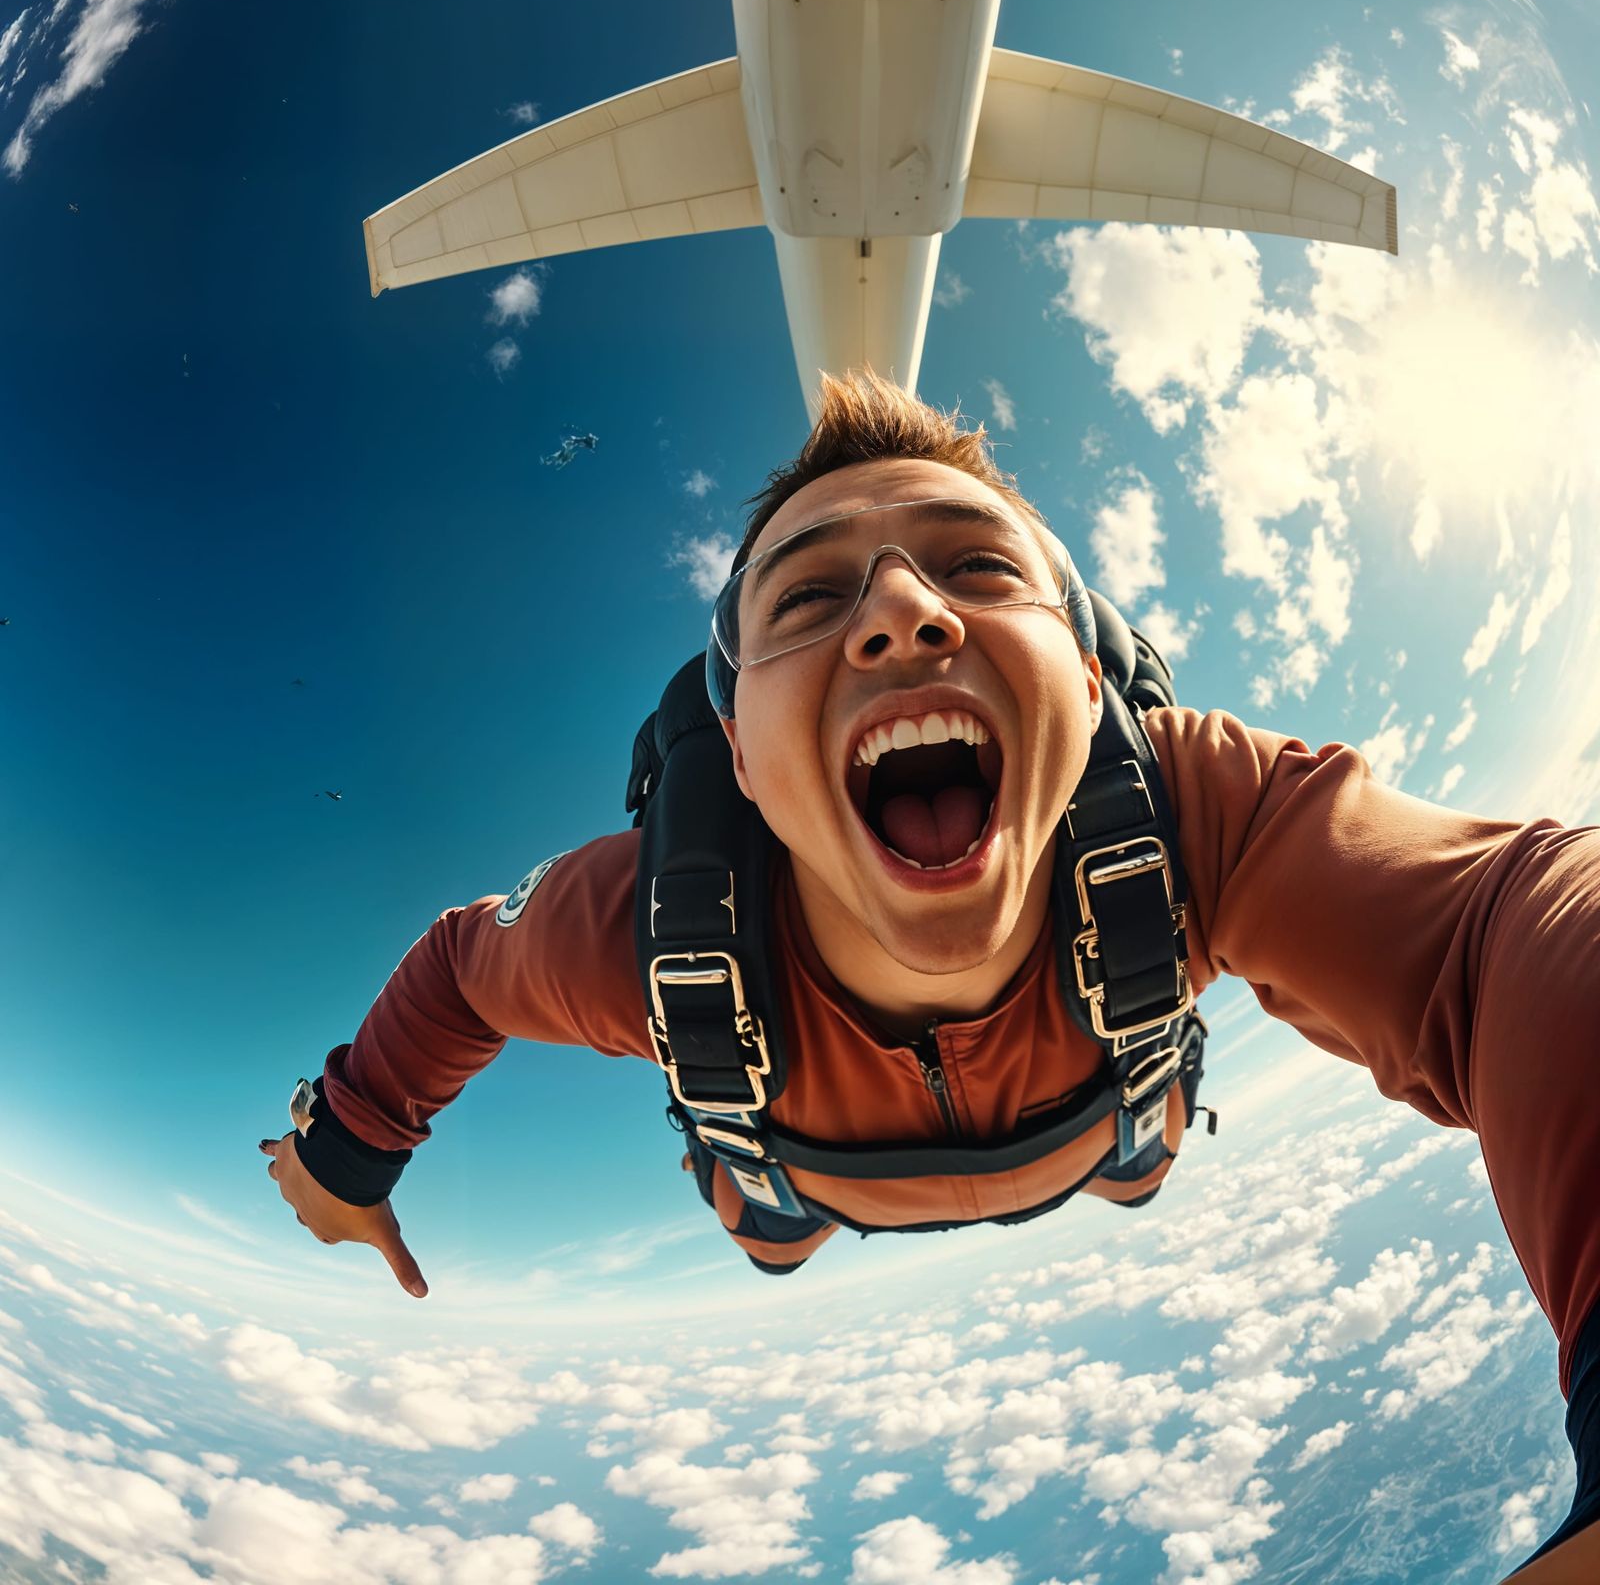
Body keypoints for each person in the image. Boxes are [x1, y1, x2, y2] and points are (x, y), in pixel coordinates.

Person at [260, 370, 1599, 1580]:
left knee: (1130, 1164)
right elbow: (461, 969)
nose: (904, 614)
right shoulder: (653, 924)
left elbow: (1503, 925)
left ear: (1089, 684)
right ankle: (860, 1210)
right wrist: (347, 1150)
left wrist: (348, 1159)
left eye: (979, 568)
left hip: (1097, 1126)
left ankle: (1092, 1169)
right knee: (778, 1231)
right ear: (739, 753)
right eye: (808, 597)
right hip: (802, 1175)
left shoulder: (1187, 811)